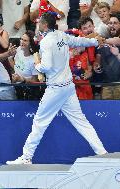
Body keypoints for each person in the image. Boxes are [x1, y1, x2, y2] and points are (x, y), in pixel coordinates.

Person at [6, 12, 107, 165]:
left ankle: (26, 157)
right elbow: (78, 40)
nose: (38, 24)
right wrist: (94, 41)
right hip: (68, 88)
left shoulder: (46, 42)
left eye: (40, 22)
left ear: (45, 25)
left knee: (39, 122)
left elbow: (46, 66)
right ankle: (102, 153)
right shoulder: (60, 35)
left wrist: (37, 65)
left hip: (56, 89)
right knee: (81, 122)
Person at [9, 30, 42, 100]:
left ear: (31, 43)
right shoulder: (19, 50)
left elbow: (35, 81)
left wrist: (22, 79)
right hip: (17, 87)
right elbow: (14, 63)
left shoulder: (35, 59)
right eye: (21, 39)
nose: (21, 42)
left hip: (28, 92)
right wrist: (9, 56)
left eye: (25, 40)